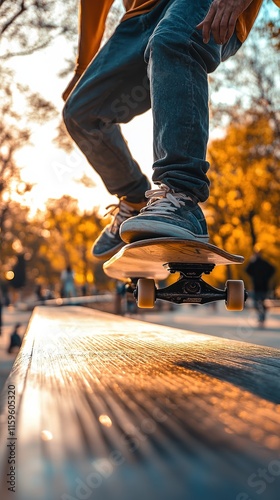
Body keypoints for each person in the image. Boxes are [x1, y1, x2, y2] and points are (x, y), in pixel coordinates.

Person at [63, 0, 280, 260]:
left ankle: (182, 198)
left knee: (174, 39)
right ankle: (135, 200)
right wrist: (84, 64)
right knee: (81, 112)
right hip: (140, 15)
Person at [246, 249, 275, 326]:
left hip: (263, 287)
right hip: (257, 287)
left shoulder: (263, 263)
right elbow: (247, 270)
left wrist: (267, 277)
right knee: (256, 304)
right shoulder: (254, 263)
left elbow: (273, 269)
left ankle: (262, 318)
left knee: (262, 303)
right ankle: (261, 317)